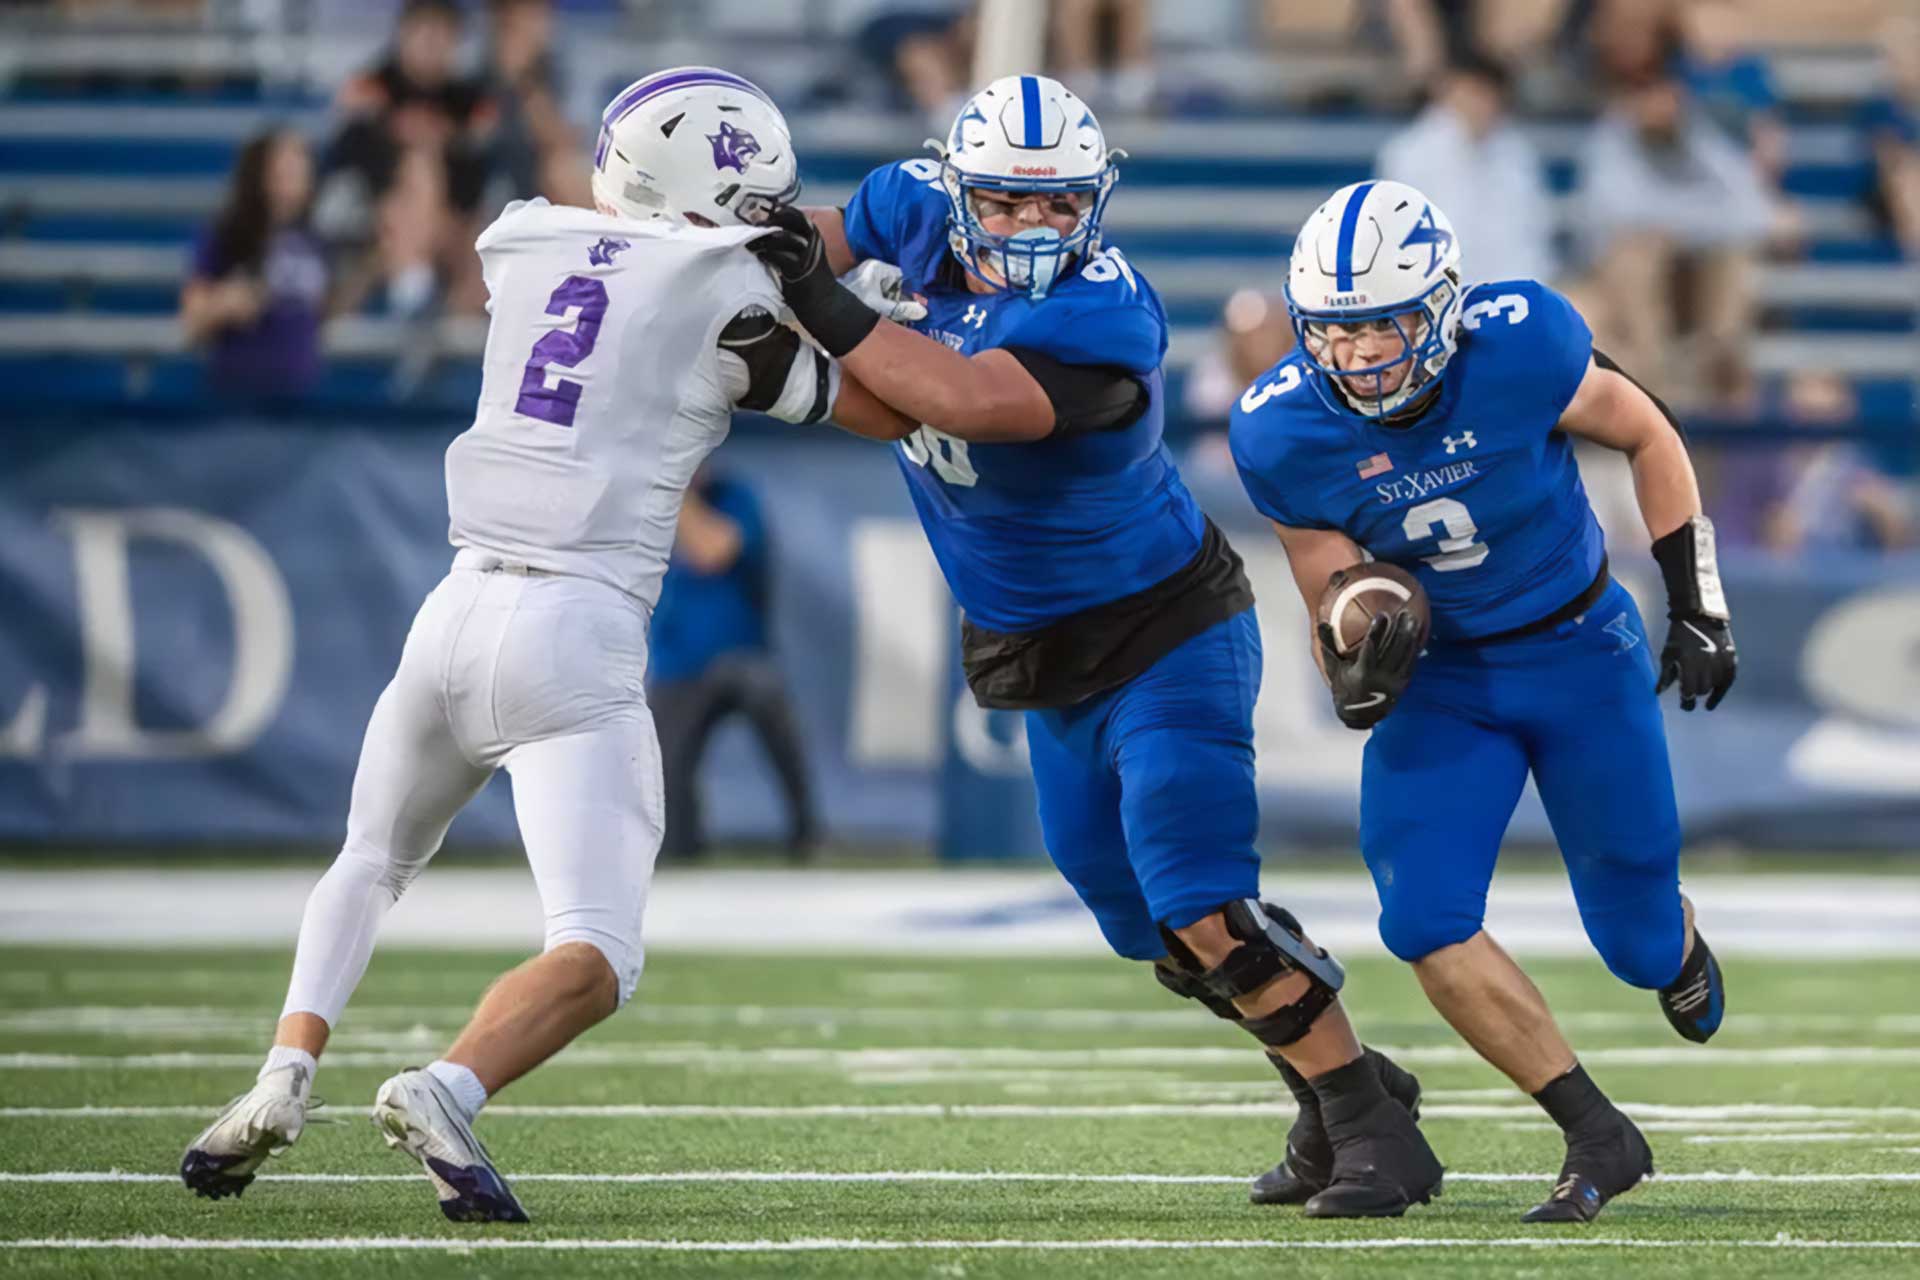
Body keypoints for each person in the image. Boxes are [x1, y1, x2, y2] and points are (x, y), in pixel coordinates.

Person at [179, 67, 915, 1224]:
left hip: (453, 608)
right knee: (597, 953)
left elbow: (637, 276)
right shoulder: (727, 293)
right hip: (574, 636)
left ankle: (284, 1068)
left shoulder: (528, 240)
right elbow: (891, 409)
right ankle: (448, 1084)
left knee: (369, 858)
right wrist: (856, 302)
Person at [746, 75, 1444, 1218]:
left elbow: (964, 399)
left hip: (1164, 628)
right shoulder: (911, 207)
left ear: (1098, 202)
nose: (1034, 229)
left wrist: (814, 306)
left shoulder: (1107, 311)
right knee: (1147, 925)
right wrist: (731, 242)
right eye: (1011, 207)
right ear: (958, 192)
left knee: (1202, 896)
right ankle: (1352, 1079)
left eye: (1060, 207)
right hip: (1043, 645)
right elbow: (808, 254)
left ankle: (1371, 1130)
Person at [1229, 179, 1736, 1223]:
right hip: (1448, 680)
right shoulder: (1281, 428)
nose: (1360, 351)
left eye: (1382, 322)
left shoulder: (1522, 342)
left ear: (1443, 307)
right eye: (1335, 328)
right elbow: (1328, 587)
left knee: (1637, 940)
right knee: (1422, 916)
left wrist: (1699, 602)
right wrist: (1355, 652)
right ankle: (1596, 1125)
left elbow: (1648, 431)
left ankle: (1677, 944)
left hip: (1580, 649)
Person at [651, 464, 818, 860]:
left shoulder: (736, 499)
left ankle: (806, 837)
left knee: (782, 737)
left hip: (741, 655)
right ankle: (681, 847)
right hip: (679, 660)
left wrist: (675, 489)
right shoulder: (642, 507)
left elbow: (715, 550)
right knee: (662, 763)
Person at [1374, 52, 1556, 285]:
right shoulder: (1407, 154)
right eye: (1473, 91)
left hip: (1513, 289)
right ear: (1447, 90)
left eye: (1489, 94)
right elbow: (1404, 249)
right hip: (1435, 294)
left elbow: (1531, 241)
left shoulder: (1517, 153)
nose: (1482, 103)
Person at [180, 129, 330, 401]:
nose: (293, 171)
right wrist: (224, 303)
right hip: (239, 391)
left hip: (299, 391)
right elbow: (191, 322)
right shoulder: (227, 233)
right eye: (282, 164)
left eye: (299, 162)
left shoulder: (317, 237)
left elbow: (323, 311)